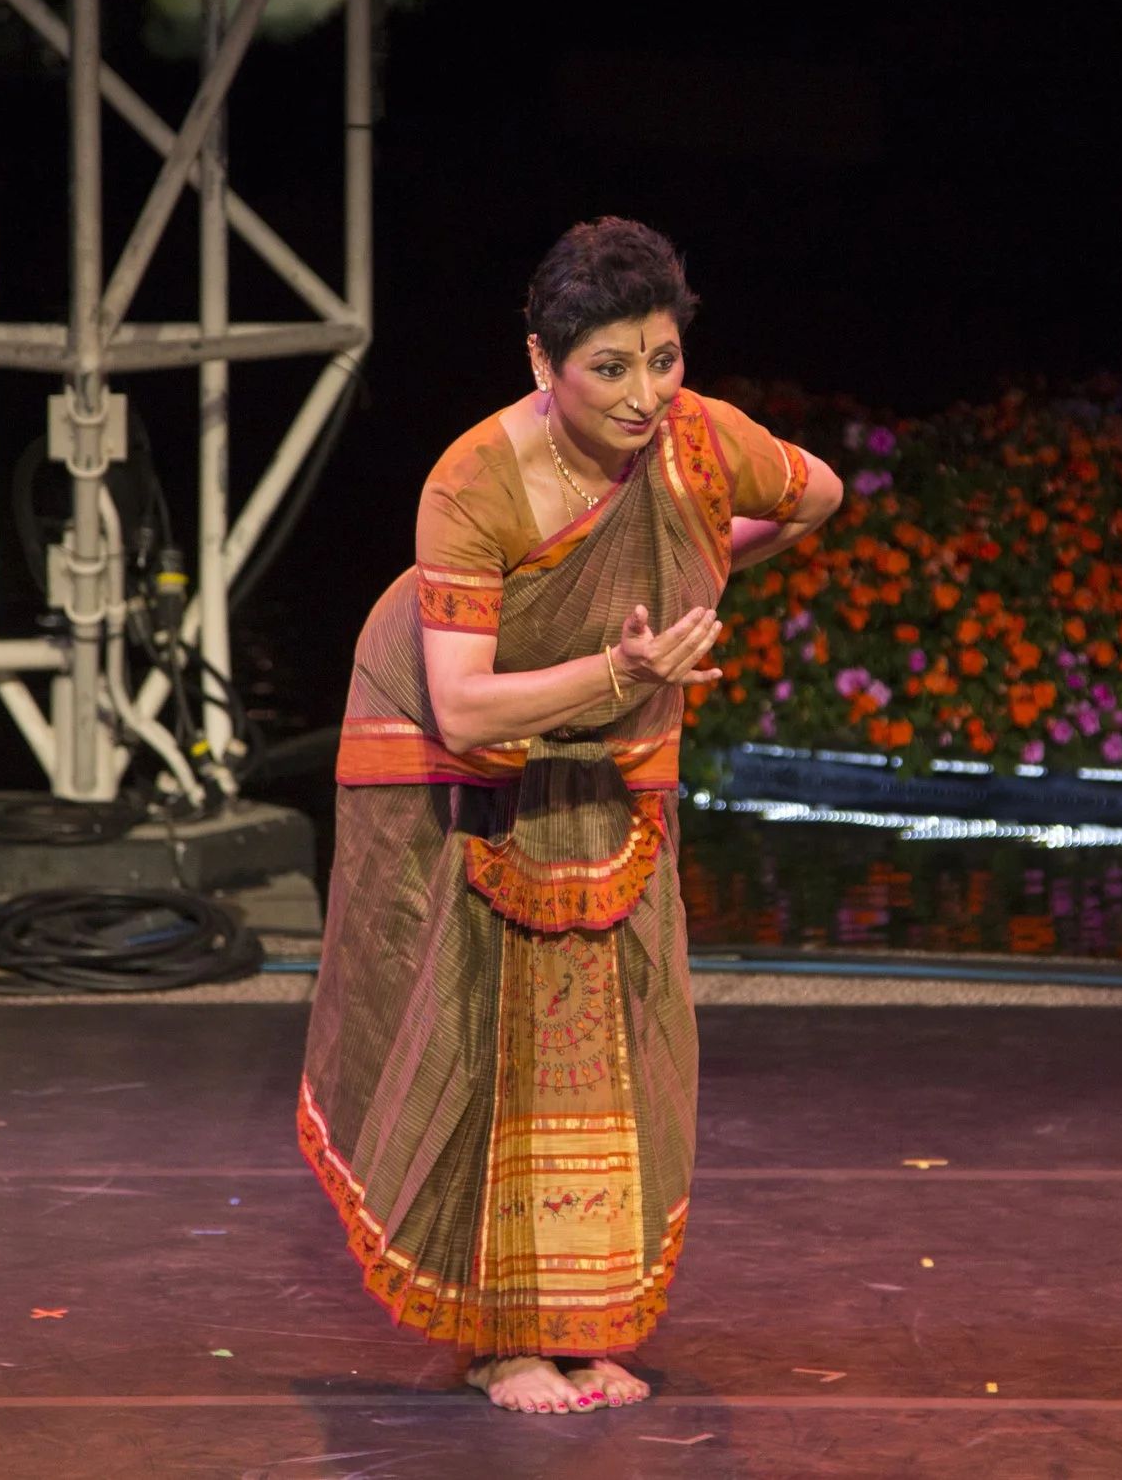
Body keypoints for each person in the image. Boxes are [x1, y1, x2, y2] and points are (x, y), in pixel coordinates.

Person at [298, 218, 842, 1414]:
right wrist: (620, 668)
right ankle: (500, 1339)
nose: (645, 394)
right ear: (543, 363)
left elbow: (820, 494)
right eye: (610, 367)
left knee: (612, 1028)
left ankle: (584, 1325)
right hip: (447, 754)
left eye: (663, 358)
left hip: (606, 751)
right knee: (483, 1025)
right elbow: (462, 704)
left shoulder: (697, 445)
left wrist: (695, 563)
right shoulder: (475, 481)